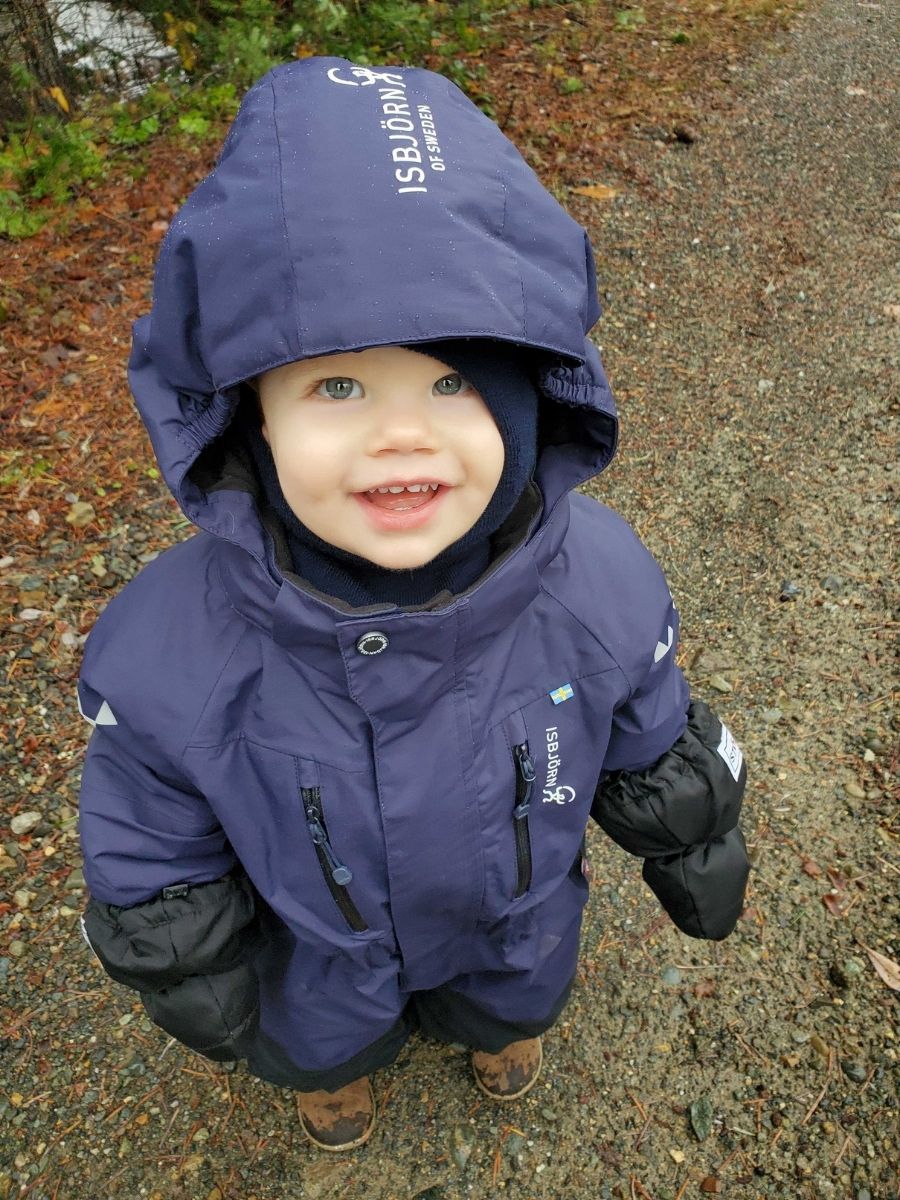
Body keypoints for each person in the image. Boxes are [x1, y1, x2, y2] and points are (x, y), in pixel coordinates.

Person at [76, 57, 750, 1153]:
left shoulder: (599, 585)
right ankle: (334, 1073)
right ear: (248, 420)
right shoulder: (170, 648)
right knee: (317, 1031)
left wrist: (692, 827)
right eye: (337, 387)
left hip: (516, 915)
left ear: (534, 405)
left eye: (454, 383)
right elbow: (147, 824)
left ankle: (497, 1027)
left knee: (515, 986)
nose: (402, 434)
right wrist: (174, 944)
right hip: (318, 951)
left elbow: (652, 727)